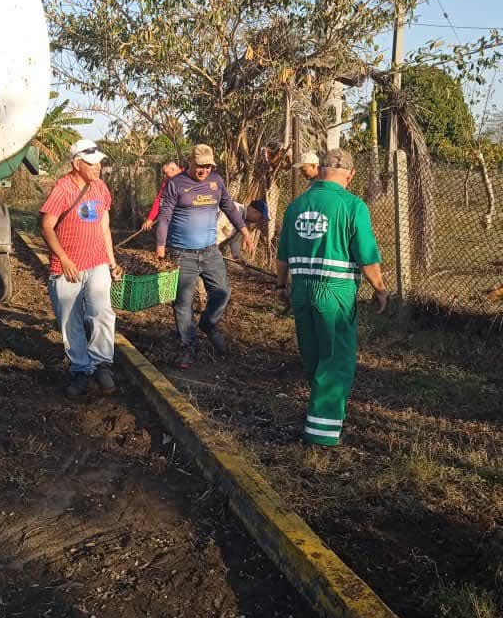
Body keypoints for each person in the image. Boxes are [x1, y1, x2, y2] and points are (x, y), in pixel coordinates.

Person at [276, 148, 389, 447]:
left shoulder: (296, 205)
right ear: (350, 175)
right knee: (336, 360)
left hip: (300, 290)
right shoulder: (353, 206)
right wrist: (379, 288)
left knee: (313, 355)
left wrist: (280, 287)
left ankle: (319, 412)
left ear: (320, 170)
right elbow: (366, 256)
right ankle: (322, 433)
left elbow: (283, 256)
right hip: (335, 292)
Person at [40, 138, 123, 398]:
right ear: (76, 164)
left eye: (99, 162)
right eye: (91, 163)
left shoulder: (100, 187)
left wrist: (111, 261)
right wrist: (64, 259)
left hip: (97, 262)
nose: (97, 167)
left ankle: (102, 364)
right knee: (70, 320)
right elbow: (46, 227)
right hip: (68, 268)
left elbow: (103, 227)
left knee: (101, 312)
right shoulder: (62, 189)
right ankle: (80, 368)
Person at [156, 143, 251, 365]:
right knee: (183, 302)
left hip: (210, 251)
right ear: (190, 161)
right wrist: (161, 244)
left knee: (222, 291)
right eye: (200, 166)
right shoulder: (175, 184)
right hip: (182, 253)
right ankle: (188, 346)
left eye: (208, 166)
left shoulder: (216, 181)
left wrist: (245, 231)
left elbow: (228, 206)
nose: (204, 170)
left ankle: (208, 323)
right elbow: (164, 216)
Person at [141, 160, 182, 231]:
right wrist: (150, 218)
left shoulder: (188, 176)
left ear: (173, 169)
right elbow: (159, 199)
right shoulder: (167, 181)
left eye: (166, 173)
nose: (164, 176)